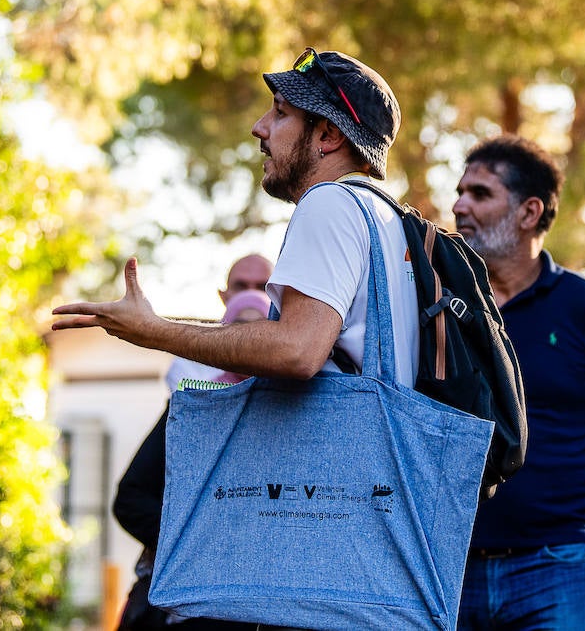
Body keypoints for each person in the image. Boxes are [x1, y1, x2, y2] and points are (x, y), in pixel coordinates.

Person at [54, 47, 416, 628]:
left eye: (280, 113)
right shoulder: (389, 223)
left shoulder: (329, 206)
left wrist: (155, 332)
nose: (260, 128)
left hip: (317, 544)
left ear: (326, 135)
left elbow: (297, 350)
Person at [451, 135, 585, 631]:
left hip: (554, 573)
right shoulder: (437, 302)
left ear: (528, 212)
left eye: (479, 194)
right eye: (460, 192)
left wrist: (575, 536)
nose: (458, 206)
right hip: (446, 570)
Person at [113, 286, 272, 631]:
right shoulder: (194, 406)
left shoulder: (290, 413)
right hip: (183, 610)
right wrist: (197, 540)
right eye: (237, 328)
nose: (248, 339)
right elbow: (131, 498)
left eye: (261, 329)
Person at [164, 254, 273, 392]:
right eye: (241, 287)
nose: (251, 295)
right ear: (223, 296)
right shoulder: (190, 360)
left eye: (264, 288)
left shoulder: (294, 360)